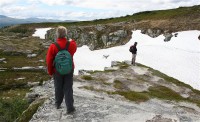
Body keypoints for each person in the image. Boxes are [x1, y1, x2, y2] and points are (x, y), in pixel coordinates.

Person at [46, 26, 77, 114]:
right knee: (68, 88)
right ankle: (70, 107)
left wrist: (50, 71)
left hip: (57, 71)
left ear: (57, 34)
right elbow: (74, 48)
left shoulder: (53, 46)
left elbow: (49, 61)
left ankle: (58, 104)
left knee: (58, 87)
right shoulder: (71, 44)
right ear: (65, 34)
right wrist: (72, 40)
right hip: (69, 69)